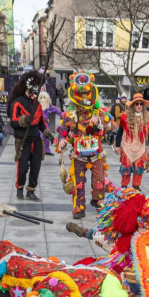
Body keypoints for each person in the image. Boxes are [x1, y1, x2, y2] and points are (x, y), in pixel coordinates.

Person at [55, 70, 115, 218]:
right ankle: (79, 207)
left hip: (96, 155)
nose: (83, 97)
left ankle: (97, 201)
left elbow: (112, 125)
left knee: (100, 179)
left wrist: (100, 122)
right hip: (78, 155)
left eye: (86, 94)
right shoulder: (71, 114)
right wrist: (61, 140)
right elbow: (64, 129)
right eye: (80, 94)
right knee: (78, 182)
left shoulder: (99, 111)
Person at [9, 70, 47, 201]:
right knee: (23, 166)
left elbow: (41, 122)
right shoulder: (17, 102)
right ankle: (20, 188)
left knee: (36, 166)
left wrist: (47, 132)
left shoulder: (37, 104)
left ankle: (31, 190)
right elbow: (13, 122)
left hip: (36, 140)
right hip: (23, 140)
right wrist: (24, 120)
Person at [114, 92, 149, 190]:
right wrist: (117, 145)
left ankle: (136, 187)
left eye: (141, 104)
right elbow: (120, 131)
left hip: (140, 146)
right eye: (137, 104)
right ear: (133, 105)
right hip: (127, 146)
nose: (139, 106)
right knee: (126, 167)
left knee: (139, 167)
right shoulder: (125, 116)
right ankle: (124, 187)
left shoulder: (147, 116)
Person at [39, 90, 63, 155]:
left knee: (47, 137)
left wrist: (62, 114)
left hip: (45, 124)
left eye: (44, 97)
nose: (43, 99)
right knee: (40, 136)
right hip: (38, 123)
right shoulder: (37, 106)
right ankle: (39, 150)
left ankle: (47, 150)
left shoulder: (48, 106)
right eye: (41, 98)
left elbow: (56, 110)